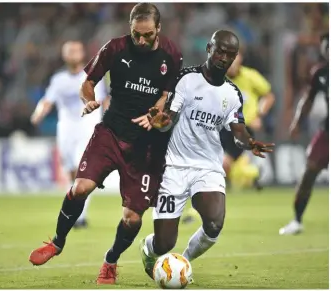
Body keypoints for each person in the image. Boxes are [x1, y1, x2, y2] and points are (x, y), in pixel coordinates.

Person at [28, 2, 183, 285]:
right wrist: (88, 101)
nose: (141, 40)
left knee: (132, 219)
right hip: (110, 132)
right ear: (130, 28)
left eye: (148, 34)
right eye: (137, 33)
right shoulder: (115, 48)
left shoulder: (172, 55)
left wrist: (158, 113)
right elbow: (87, 82)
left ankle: (110, 260)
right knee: (79, 186)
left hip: (146, 147)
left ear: (158, 29)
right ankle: (57, 242)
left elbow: (169, 95)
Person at [137, 30, 274, 279]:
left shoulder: (232, 94)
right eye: (219, 50)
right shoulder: (186, 79)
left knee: (214, 225)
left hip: (208, 167)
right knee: (164, 243)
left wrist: (249, 143)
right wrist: (161, 122)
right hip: (175, 167)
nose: (224, 57)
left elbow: (238, 130)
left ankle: (182, 264)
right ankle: (149, 248)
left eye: (230, 54)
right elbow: (170, 120)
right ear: (209, 48)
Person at [181, 48, 276, 224]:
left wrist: (259, 115)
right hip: (219, 129)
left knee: (221, 166)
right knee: (221, 169)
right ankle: (251, 175)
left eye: (234, 57)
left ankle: (198, 211)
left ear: (240, 58)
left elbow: (269, 95)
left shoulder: (251, 77)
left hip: (242, 130)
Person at [30, 40, 108, 228]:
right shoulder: (59, 80)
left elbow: (104, 101)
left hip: (88, 128)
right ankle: (76, 212)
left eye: (76, 50)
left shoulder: (94, 75)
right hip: (66, 130)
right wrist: (38, 113)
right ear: (64, 55)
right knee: (72, 173)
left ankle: (79, 217)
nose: (73, 53)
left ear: (82, 54)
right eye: (69, 51)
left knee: (83, 172)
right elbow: (47, 100)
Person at [279, 32, 329, 235]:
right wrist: (297, 122)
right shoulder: (320, 72)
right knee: (309, 173)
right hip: (327, 132)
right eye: (326, 47)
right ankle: (297, 220)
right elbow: (308, 99)